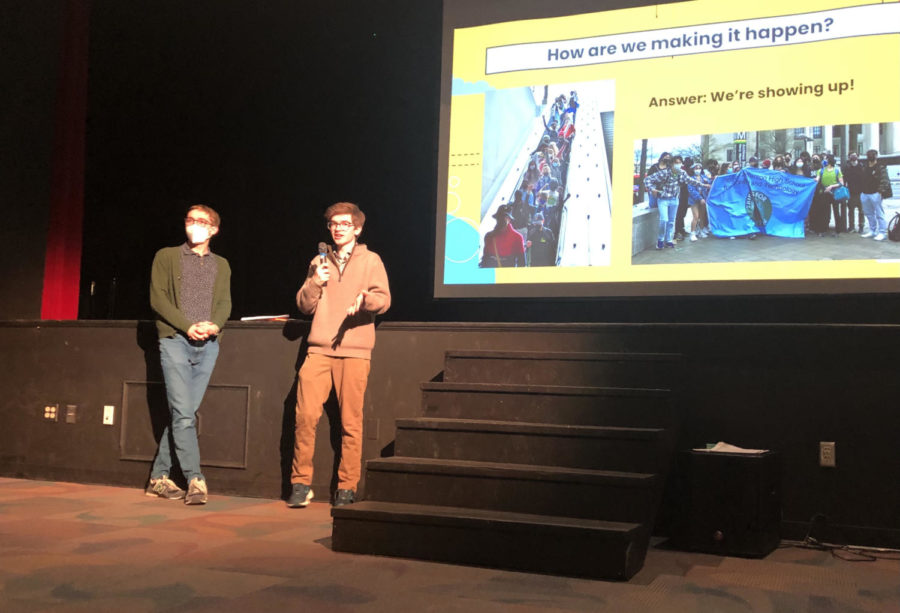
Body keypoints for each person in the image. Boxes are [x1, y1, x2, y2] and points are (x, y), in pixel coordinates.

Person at [289, 202, 391, 508]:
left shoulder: (371, 260)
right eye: (334, 224)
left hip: (355, 351)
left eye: (345, 224)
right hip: (319, 350)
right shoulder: (318, 261)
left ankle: (347, 486)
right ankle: (300, 483)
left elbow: (384, 300)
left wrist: (364, 299)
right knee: (305, 418)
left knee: (351, 423)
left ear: (357, 229)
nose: (338, 228)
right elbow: (304, 306)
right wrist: (314, 281)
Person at [147, 205, 232, 505]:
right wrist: (187, 326)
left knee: (183, 414)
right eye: (190, 220)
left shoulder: (221, 264)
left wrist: (215, 324)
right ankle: (196, 478)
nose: (194, 225)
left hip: (208, 344)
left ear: (213, 230)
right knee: (183, 414)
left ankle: (158, 478)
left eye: (201, 222)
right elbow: (158, 299)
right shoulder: (167, 256)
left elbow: (224, 302)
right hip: (175, 341)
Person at [644, 152, 706, 249]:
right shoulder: (664, 172)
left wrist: (704, 185)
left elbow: (691, 181)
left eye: (680, 162)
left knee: (671, 221)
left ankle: (668, 240)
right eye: (676, 162)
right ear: (672, 164)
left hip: (674, 200)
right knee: (664, 220)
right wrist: (652, 189)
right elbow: (647, 180)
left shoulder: (682, 173)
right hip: (663, 199)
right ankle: (660, 240)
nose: (678, 164)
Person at [859, 149, 892, 241]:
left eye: (872, 154)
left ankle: (882, 232)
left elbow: (885, 180)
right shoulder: (865, 167)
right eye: (869, 154)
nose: (870, 156)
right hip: (865, 193)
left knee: (879, 213)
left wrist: (880, 192)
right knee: (869, 213)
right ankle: (872, 230)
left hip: (875, 193)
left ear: (876, 156)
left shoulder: (880, 167)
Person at [842, 152, 865, 233]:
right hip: (851, 192)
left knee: (861, 211)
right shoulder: (847, 168)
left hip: (861, 192)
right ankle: (851, 227)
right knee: (851, 210)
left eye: (855, 156)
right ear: (849, 157)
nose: (853, 158)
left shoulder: (862, 166)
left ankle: (861, 226)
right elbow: (844, 179)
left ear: (858, 157)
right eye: (851, 156)